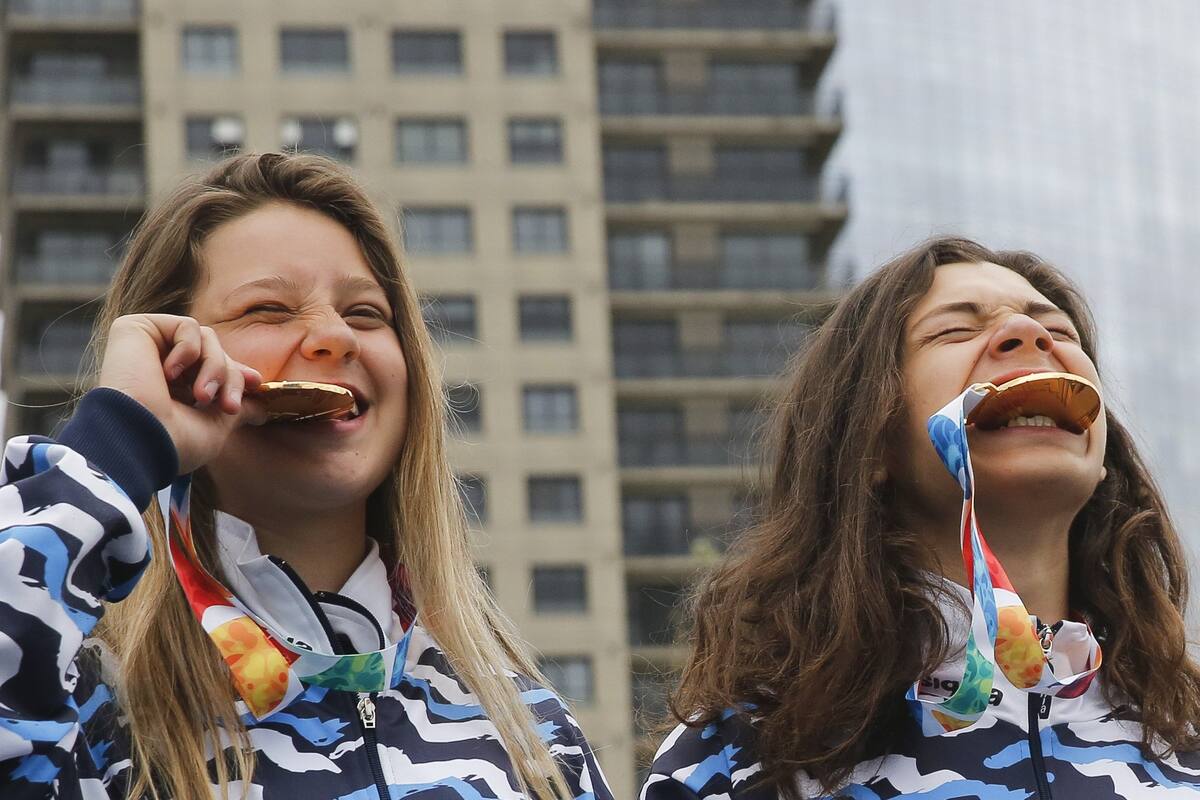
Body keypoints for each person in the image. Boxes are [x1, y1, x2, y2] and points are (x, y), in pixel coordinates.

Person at [0, 152, 612, 800]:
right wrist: (118, 446)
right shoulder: (87, 709)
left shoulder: (535, 739)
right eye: (268, 309)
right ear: (169, 361)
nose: (333, 336)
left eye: (367, 314)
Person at [641, 237, 1200, 799]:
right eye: (955, 330)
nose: (1030, 338)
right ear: (871, 445)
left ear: (1103, 460)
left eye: (1057, 332)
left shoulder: (1187, 734)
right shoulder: (741, 760)